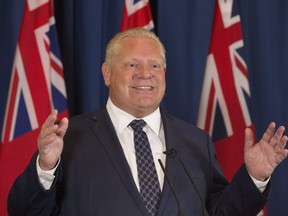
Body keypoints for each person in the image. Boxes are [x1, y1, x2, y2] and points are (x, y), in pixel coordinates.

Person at [8, 27, 288, 216]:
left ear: (164, 72)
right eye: (131, 65)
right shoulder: (69, 138)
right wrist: (45, 167)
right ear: (107, 74)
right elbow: (24, 211)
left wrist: (255, 177)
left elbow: (220, 212)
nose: (146, 74)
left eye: (154, 65)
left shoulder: (195, 140)